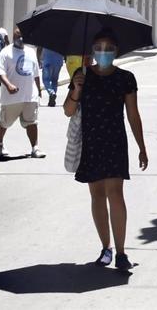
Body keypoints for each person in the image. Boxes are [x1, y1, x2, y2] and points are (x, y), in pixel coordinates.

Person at [63, 29, 148, 271]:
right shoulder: (82, 75)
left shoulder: (126, 78)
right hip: (91, 141)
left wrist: (141, 146)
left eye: (108, 48)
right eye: (98, 47)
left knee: (115, 193)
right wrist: (76, 89)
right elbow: (68, 110)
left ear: (116, 51)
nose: (103, 52)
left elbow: (133, 114)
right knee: (97, 194)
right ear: (92, 51)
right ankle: (105, 248)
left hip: (114, 141)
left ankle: (121, 252)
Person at [0, 27, 45, 160]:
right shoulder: (5, 52)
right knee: (4, 122)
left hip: (30, 95)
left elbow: (36, 73)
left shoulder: (31, 52)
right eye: (17, 36)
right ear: (13, 37)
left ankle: (35, 148)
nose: (20, 39)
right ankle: (0, 145)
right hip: (11, 97)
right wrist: (8, 85)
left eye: (22, 36)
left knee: (32, 122)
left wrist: (38, 89)